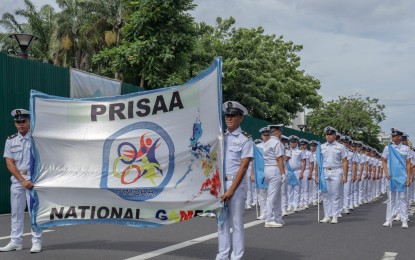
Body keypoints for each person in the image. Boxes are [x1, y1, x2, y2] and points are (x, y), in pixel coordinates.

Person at [0, 109, 42, 253]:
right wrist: (22, 180)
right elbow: (10, 163)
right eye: (18, 122)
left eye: (23, 121)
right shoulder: (10, 140)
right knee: (16, 213)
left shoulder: (36, 138)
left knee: (34, 213)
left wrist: (32, 179)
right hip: (19, 181)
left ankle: (36, 241)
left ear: (29, 121)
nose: (21, 124)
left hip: (34, 180)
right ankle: (15, 242)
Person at [216, 101, 253, 260]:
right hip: (220, 184)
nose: (229, 118)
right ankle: (222, 255)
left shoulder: (246, 139)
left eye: (233, 116)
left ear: (240, 118)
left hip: (235, 185)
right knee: (221, 222)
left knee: (236, 223)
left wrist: (231, 190)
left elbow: (244, 167)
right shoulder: (220, 137)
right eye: (227, 115)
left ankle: (236, 257)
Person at [316, 127, 348, 224]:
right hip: (325, 171)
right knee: (325, 194)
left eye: (331, 135)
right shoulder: (321, 147)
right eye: (327, 135)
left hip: (336, 171)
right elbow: (318, 162)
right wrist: (317, 175)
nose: (329, 136)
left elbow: (345, 161)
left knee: (335, 194)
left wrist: (345, 175)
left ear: (334, 135)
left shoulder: (340, 147)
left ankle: (335, 215)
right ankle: (327, 216)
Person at [381, 128, 411, 228]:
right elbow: (384, 161)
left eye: (394, 136)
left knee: (403, 199)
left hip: (402, 176)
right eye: (392, 136)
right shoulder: (387, 148)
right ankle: (388, 219)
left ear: (399, 137)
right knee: (391, 199)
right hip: (391, 177)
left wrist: (408, 178)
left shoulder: (406, 149)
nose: (392, 137)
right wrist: (386, 172)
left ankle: (404, 220)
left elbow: (408, 164)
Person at [262, 124, 286, 227]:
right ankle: (269, 219)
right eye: (280, 131)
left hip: (267, 169)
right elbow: (279, 159)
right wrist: (283, 172)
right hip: (275, 169)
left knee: (276, 196)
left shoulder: (266, 143)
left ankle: (277, 217)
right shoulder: (277, 143)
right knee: (272, 196)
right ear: (278, 131)